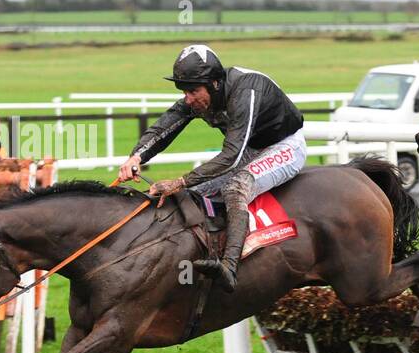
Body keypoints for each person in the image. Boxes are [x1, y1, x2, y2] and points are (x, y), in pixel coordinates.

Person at [116, 44, 306, 291]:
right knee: (196, 192)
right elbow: (164, 127)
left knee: (235, 188)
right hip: (249, 148)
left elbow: (231, 156)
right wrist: (136, 157)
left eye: (193, 91)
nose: (188, 99)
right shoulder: (200, 95)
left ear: (215, 83)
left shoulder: (245, 90)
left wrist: (180, 181)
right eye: (184, 92)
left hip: (285, 146)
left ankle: (229, 267)